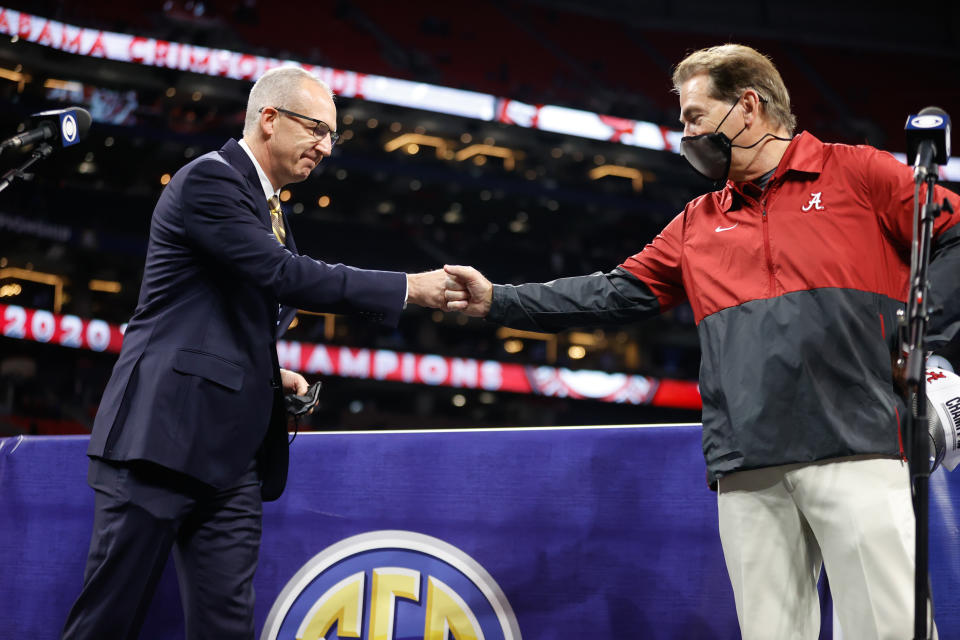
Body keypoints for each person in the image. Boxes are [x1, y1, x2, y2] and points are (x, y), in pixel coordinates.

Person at [443, 44, 960, 640]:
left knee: (888, 631)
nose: (684, 133)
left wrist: (920, 335)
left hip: (860, 441)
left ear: (747, 107)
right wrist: (497, 300)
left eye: (693, 116)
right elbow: (612, 294)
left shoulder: (858, 172)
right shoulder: (696, 222)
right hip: (748, 462)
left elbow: (951, 233)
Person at [61, 66, 448, 639]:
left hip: (233, 458)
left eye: (332, 137)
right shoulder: (208, 182)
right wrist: (407, 287)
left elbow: (227, 315)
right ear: (269, 118)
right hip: (160, 443)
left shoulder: (272, 210)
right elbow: (281, 274)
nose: (325, 146)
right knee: (107, 623)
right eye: (317, 128)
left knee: (227, 629)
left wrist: (270, 372)